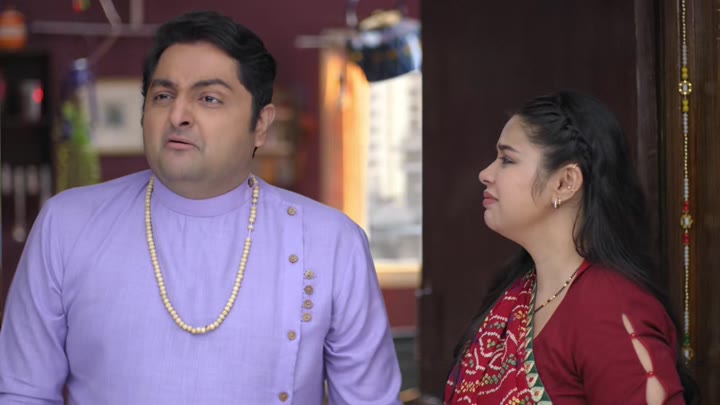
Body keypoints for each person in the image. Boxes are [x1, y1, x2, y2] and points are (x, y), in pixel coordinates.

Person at [0, 11, 401, 404]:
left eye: (209, 98)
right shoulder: (67, 225)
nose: (178, 116)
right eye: (163, 96)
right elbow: (23, 392)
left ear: (261, 124)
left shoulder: (331, 242)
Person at [444, 91, 697, 404]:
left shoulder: (609, 308)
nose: (485, 174)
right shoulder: (516, 292)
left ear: (565, 182)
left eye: (507, 160)